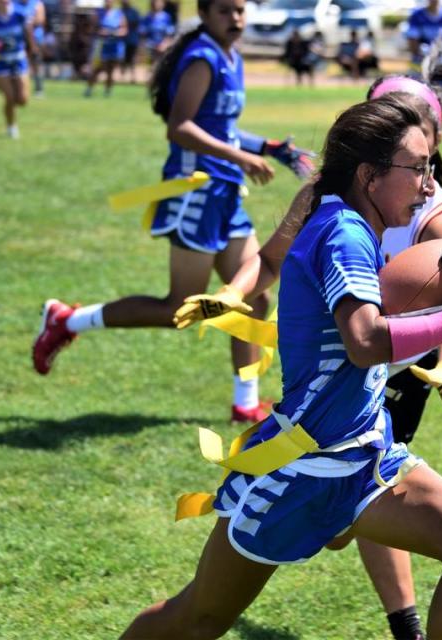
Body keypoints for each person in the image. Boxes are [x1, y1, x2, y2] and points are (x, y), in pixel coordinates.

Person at [120, 91, 442, 640]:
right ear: (370, 175)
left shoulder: (349, 219)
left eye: (430, 169)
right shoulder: (345, 234)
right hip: (301, 471)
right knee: (198, 617)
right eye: (417, 170)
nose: (428, 186)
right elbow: (365, 341)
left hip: (365, 458)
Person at [32, 0, 314, 424]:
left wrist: (268, 148)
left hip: (225, 194)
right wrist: (240, 156)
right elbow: (179, 126)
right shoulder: (201, 57)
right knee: (178, 310)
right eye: (224, 11)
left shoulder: (230, 56)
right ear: (202, 13)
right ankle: (68, 320)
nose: (235, 18)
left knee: (254, 293)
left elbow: (221, 125)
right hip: (194, 195)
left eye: (240, 10)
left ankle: (245, 404)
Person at [0, 0, 34, 137]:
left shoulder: (19, 13)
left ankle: (13, 111)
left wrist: (33, 49)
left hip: (18, 58)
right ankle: (11, 127)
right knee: (9, 97)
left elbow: (28, 32)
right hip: (0, 60)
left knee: (22, 100)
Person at [84, 0, 125, 96]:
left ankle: (108, 91)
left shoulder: (118, 13)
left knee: (111, 69)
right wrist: (100, 32)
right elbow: (91, 28)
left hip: (114, 45)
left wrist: (115, 33)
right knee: (97, 67)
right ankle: (90, 88)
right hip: (101, 44)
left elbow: (124, 29)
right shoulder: (98, 12)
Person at [140, 0, 174, 71]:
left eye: (159, 2)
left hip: (162, 46)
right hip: (150, 46)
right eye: (155, 2)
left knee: (161, 66)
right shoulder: (147, 17)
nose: (157, 4)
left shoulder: (166, 17)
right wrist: (144, 45)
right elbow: (143, 32)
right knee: (151, 66)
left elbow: (169, 33)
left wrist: (164, 44)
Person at [119, 0, 139, 83]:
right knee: (122, 58)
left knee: (132, 59)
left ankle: (132, 77)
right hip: (121, 40)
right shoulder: (119, 12)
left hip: (132, 39)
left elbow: (137, 24)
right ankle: (122, 77)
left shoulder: (134, 12)